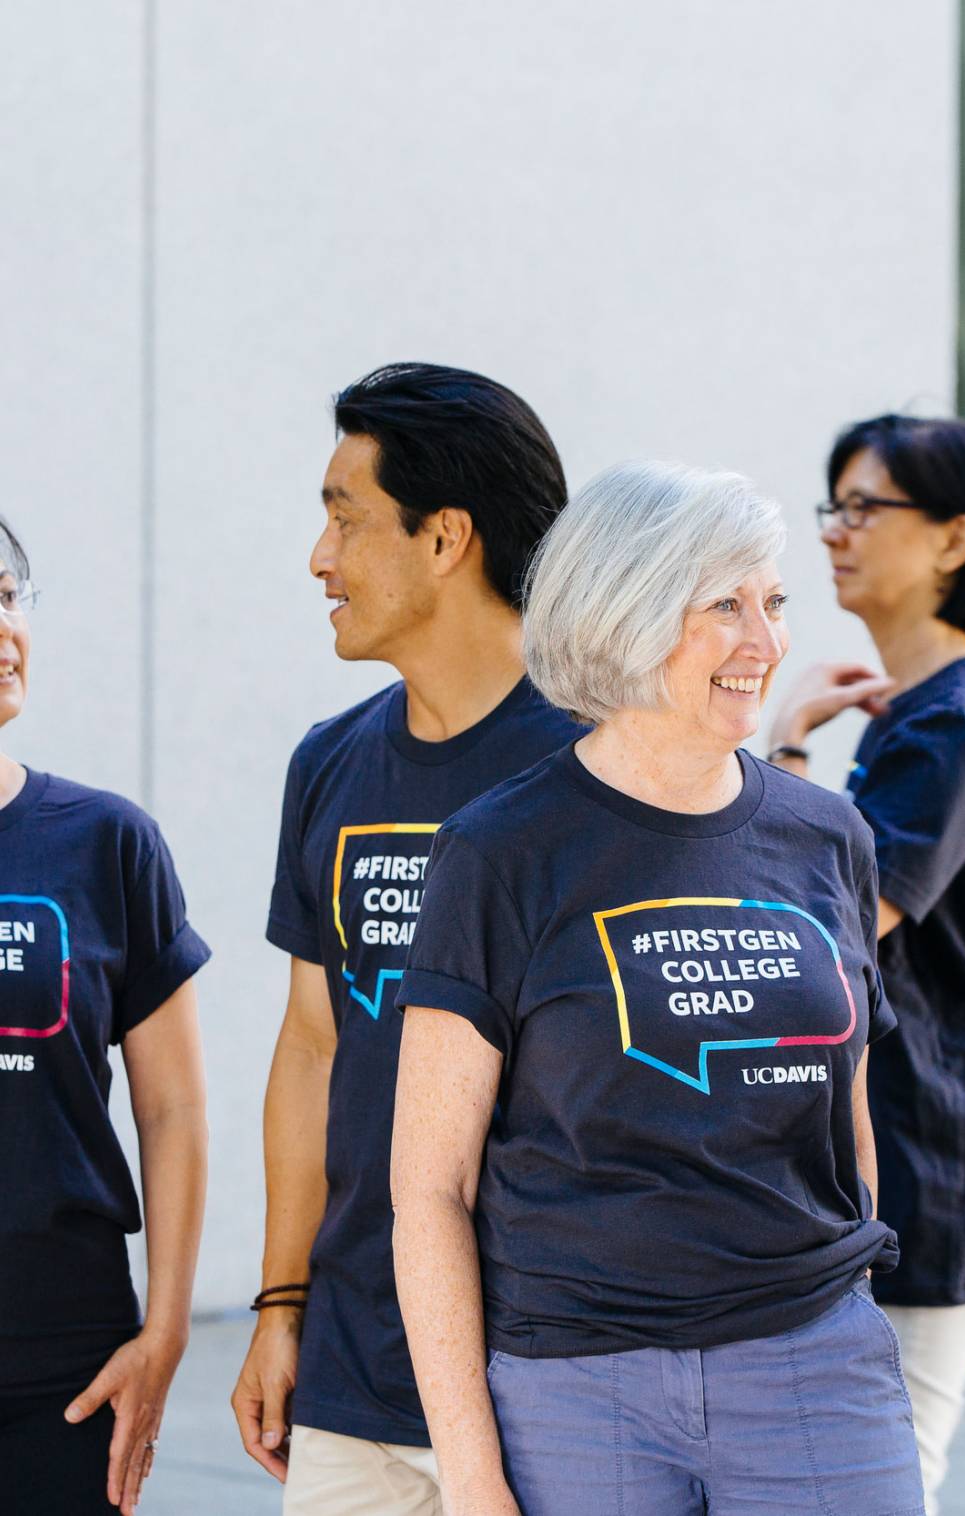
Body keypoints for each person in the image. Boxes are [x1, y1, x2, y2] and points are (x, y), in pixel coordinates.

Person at [390, 461, 924, 1516]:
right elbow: (429, 1189)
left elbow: (848, 1118)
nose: (765, 644)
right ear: (625, 614)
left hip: (813, 1365)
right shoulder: (501, 852)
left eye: (771, 603)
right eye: (723, 606)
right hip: (577, 1388)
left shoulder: (829, 836)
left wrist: (844, 1298)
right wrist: (471, 1473)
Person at [230, 363, 579, 1515]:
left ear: (446, 540)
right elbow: (313, 1044)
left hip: (547, 1371)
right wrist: (282, 1307)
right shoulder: (330, 764)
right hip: (355, 1376)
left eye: (344, 517)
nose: (318, 559)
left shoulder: (599, 765)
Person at [766, 413, 965, 1510]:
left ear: (955, 539)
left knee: (881, 1468)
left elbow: (824, 926)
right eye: (833, 504)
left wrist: (782, 751)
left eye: (865, 507)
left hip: (925, 1163)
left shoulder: (958, 721)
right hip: (913, 1153)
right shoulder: (924, 714)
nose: (836, 530)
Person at [0, 516, 210, 1516]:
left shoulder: (107, 842)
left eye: (8, 598)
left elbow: (171, 1111)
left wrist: (165, 1328)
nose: (5, 629)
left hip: (68, 1356)